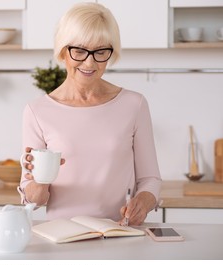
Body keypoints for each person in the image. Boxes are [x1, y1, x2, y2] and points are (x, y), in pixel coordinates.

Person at [18, 2, 161, 226]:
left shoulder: (134, 104)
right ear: (63, 51)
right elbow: (35, 200)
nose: (90, 62)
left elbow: (150, 179)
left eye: (101, 51)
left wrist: (143, 202)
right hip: (60, 236)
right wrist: (39, 181)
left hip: (118, 232)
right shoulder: (37, 111)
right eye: (80, 50)